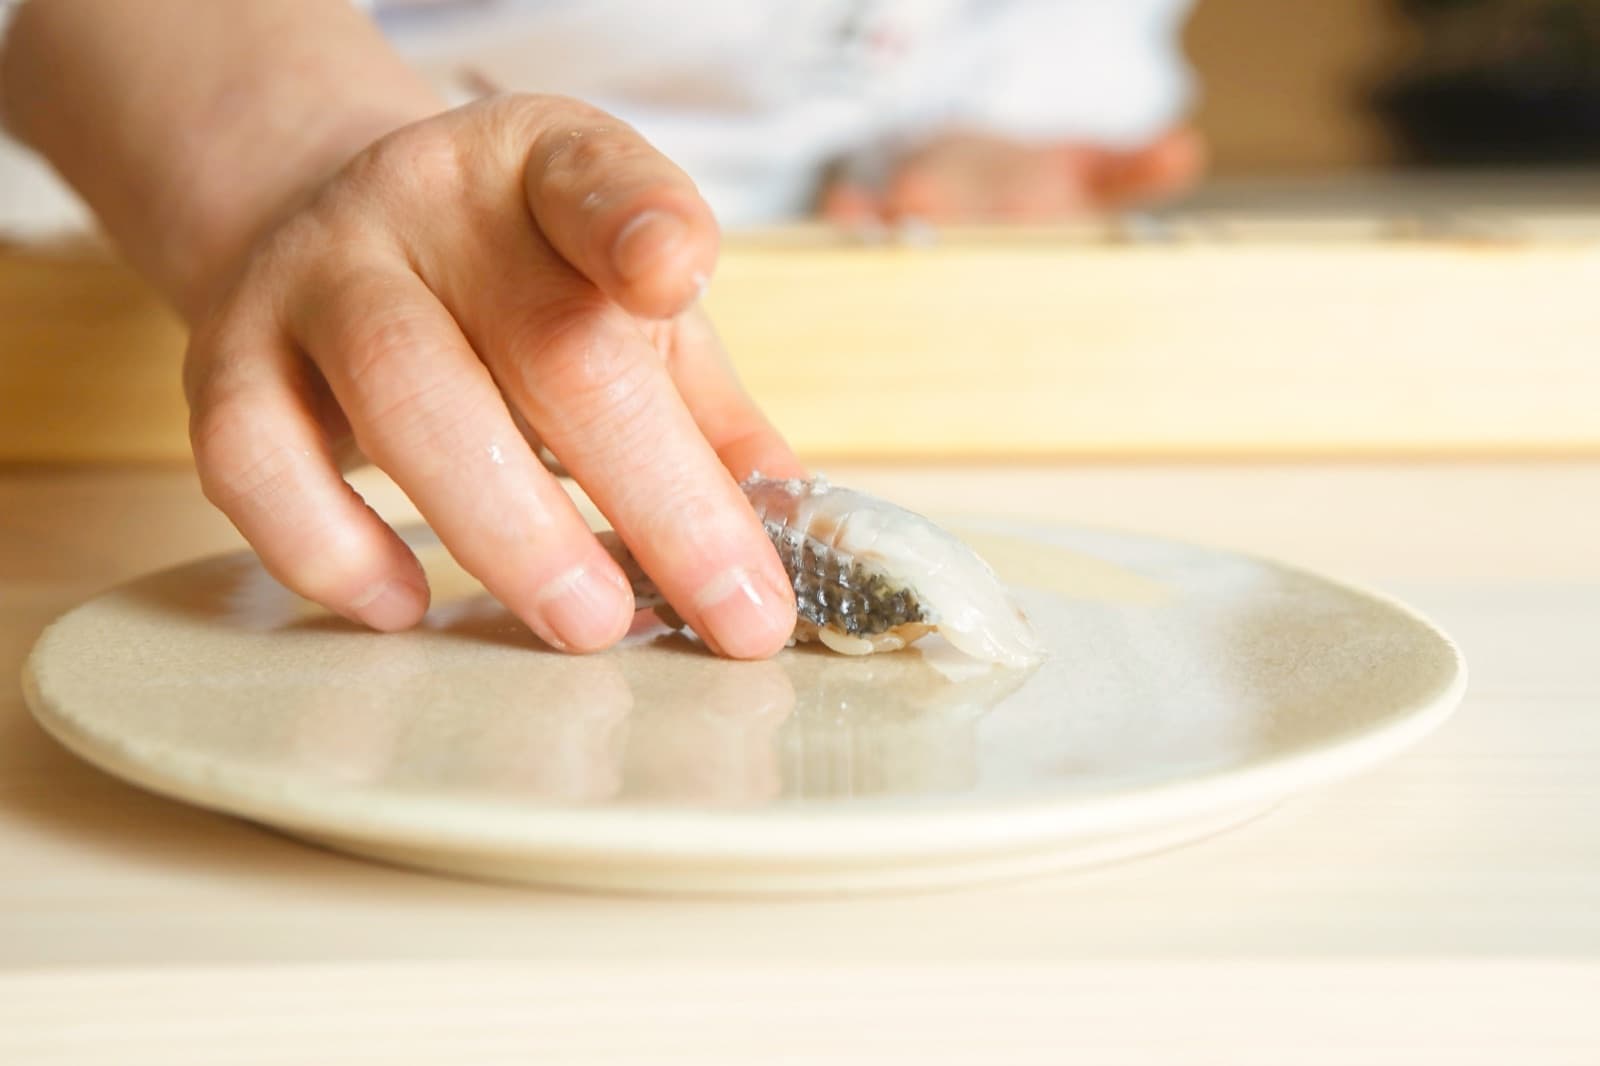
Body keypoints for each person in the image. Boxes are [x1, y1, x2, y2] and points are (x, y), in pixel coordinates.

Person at [0, 0, 1199, 659]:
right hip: (141, 247)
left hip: (773, 298)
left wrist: (974, 142)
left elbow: (1030, 43)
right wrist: (306, 171)